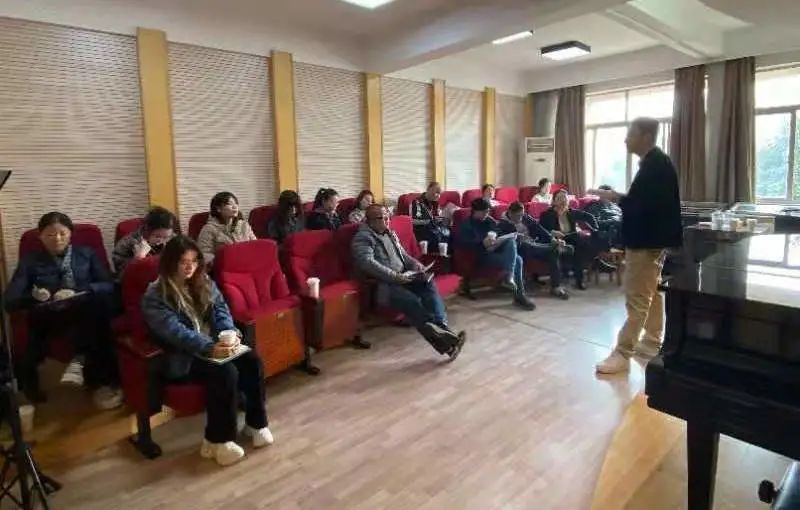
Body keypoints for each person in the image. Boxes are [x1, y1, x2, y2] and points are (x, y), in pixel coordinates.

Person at [141, 236, 273, 466]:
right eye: (183, 262)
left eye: (194, 261)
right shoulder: (155, 294)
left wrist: (228, 334)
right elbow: (175, 332)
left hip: (213, 345)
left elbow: (220, 309)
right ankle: (217, 440)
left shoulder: (204, 281)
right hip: (183, 356)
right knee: (225, 372)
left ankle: (256, 424)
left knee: (252, 361)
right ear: (170, 263)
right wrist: (210, 347)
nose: (190, 267)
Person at [4, 212, 122, 408]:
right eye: (50, 234)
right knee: (94, 317)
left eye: (62, 233)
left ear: (70, 234)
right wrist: (34, 296)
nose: (57, 239)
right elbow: (10, 299)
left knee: (96, 306)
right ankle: (82, 365)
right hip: (49, 316)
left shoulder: (87, 254)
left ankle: (82, 362)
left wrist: (80, 290)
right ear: (41, 236)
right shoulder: (30, 261)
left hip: (85, 311)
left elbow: (108, 284)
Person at [593, 117, 682, 374]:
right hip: (652, 242)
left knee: (637, 300)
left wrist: (615, 198)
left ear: (646, 137)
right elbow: (643, 202)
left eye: (631, 134)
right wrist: (618, 197)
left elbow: (640, 207)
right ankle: (652, 340)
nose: (626, 139)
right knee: (651, 292)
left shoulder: (655, 166)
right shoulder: (656, 163)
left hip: (645, 244)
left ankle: (623, 353)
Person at [352, 205, 467, 360]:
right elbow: (367, 263)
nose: (386, 221)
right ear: (370, 221)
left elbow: (403, 256)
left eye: (387, 217)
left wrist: (415, 264)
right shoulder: (362, 238)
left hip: (404, 276)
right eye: (381, 218)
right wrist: (394, 276)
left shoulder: (390, 233)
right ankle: (448, 343)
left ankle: (442, 328)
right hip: (383, 284)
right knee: (412, 302)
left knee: (428, 284)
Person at [458, 198, 536, 310]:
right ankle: (518, 294)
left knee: (511, 242)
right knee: (518, 260)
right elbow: (464, 244)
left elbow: (498, 232)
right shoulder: (466, 225)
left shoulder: (489, 220)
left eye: (488, 211)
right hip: (480, 255)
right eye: (484, 212)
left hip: (495, 250)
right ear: (476, 211)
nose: (487, 214)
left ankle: (510, 279)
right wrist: (482, 243)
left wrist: (497, 238)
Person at [539, 190, 613, 290]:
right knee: (579, 239)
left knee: (590, 239)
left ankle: (583, 276)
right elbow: (541, 230)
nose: (563, 200)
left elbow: (589, 216)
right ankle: (595, 262)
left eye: (565, 198)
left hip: (572, 239)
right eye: (560, 198)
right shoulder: (546, 214)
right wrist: (553, 232)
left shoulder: (571, 212)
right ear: (554, 201)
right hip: (557, 240)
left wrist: (595, 228)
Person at [497, 201, 570, 300]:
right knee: (528, 245)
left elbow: (539, 229)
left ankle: (556, 287)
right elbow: (505, 243)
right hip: (520, 249)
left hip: (534, 245)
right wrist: (518, 238)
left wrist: (552, 239)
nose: (520, 218)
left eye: (522, 215)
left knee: (553, 252)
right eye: (518, 216)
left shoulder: (525, 217)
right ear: (510, 213)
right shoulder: (502, 224)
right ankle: (554, 247)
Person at [113, 206, 177, 275]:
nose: (162, 241)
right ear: (146, 230)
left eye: (166, 237)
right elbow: (122, 275)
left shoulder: (174, 238)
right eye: (157, 236)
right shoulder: (126, 244)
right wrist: (137, 260)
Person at [197, 192, 257, 265]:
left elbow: (255, 246)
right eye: (229, 204)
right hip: (224, 266)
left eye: (236, 203)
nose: (235, 207)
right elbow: (204, 255)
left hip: (247, 263)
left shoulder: (244, 225)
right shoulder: (209, 229)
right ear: (218, 209)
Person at [410, 182, 451, 253]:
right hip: (421, 229)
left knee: (451, 233)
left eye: (439, 193)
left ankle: (444, 255)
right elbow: (413, 221)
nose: (438, 196)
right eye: (436, 192)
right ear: (428, 189)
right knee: (439, 237)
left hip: (434, 228)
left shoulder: (435, 203)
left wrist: (440, 219)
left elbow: (436, 217)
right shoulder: (417, 202)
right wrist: (430, 221)